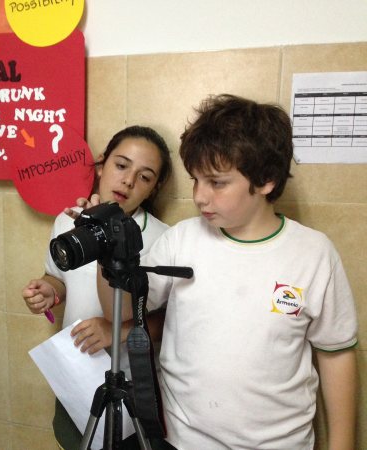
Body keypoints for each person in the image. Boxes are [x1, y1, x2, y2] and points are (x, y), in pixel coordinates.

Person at [97, 94, 358, 450]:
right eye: (195, 180)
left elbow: (336, 354)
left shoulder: (314, 254)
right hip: (182, 442)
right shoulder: (181, 240)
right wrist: (108, 254)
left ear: (266, 180)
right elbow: (122, 310)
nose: (200, 197)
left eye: (216, 182)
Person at [22, 125, 174, 449]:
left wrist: (116, 330)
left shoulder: (163, 239)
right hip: (77, 375)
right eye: (121, 165)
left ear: (154, 188)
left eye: (144, 177)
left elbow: (171, 320)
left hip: (132, 385)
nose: (128, 181)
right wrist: (50, 290)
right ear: (102, 165)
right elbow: (58, 277)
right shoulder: (68, 220)